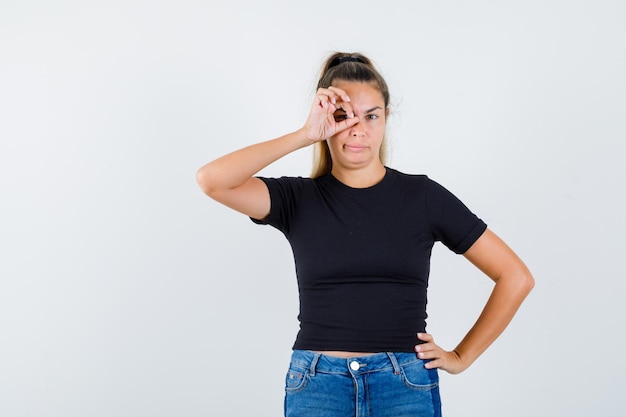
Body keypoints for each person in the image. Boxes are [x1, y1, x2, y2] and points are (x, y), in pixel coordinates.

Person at [196, 52, 534, 417]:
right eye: (343, 116)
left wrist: (461, 357)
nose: (358, 129)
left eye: (371, 116)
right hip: (318, 385)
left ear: (386, 118)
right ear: (325, 118)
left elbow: (515, 277)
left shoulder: (423, 197)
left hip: (404, 385)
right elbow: (212, 180)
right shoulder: (298, 199)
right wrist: (304, 135)